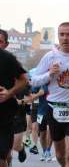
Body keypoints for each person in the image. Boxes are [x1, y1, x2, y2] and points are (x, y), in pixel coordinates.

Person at [31, 22, 69, 167]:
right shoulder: (50, 56)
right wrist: (49, 74)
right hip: (54, 109)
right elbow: (34, 81)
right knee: (60, 155)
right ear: (58, 36)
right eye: (62, 34)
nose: (65, 38)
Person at [0, 29, 27, 167]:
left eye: (0, 42)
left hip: (5, 114)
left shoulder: (8, 58)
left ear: (6, 44)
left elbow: (24, 80)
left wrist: (9, 93)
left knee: (2, 158)